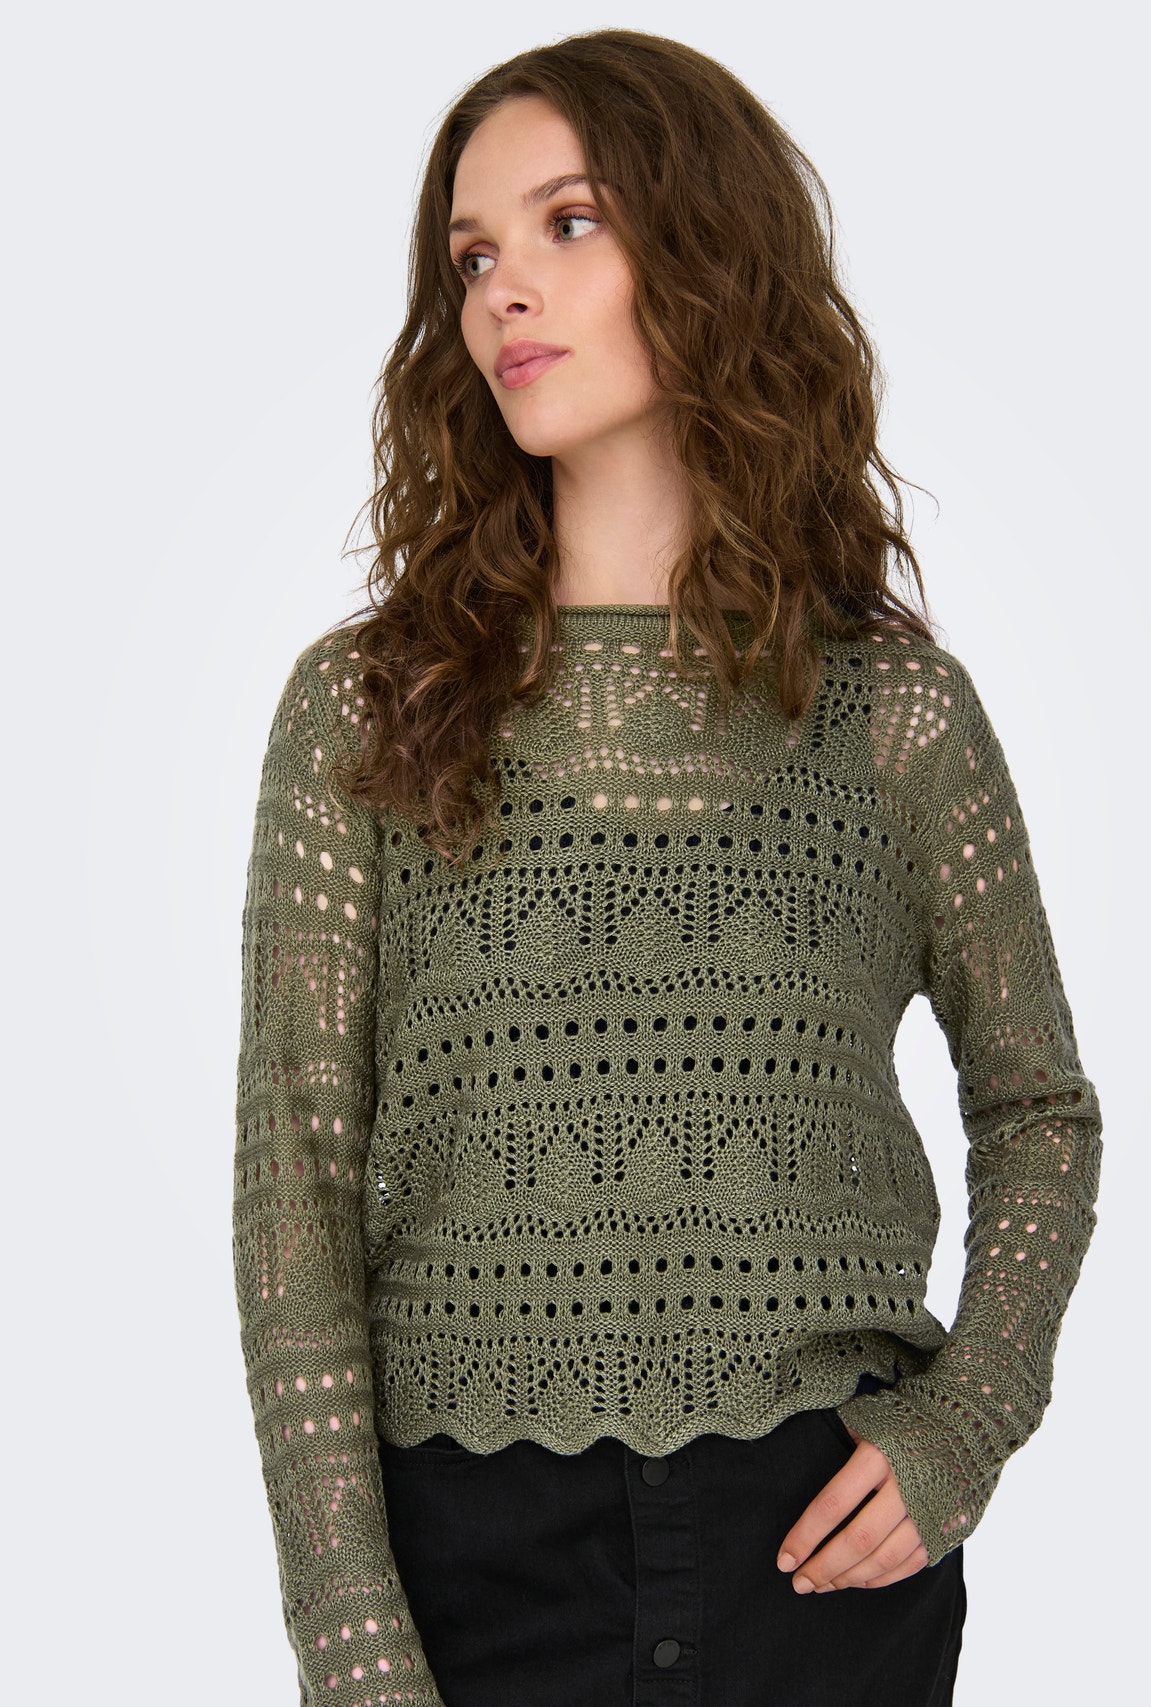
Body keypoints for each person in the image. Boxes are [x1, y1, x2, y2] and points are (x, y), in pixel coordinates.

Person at [231, 28, 1103, 1707]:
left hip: (822, 1557)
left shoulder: (895, 716)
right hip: (472, 1570)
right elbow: (296, 1193)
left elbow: (1039, 1110)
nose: (501, 290)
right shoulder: (367, 707)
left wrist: (966, 1422)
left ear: (710, 252)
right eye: (470, 256)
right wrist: (349, 1637)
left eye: (568, 224)